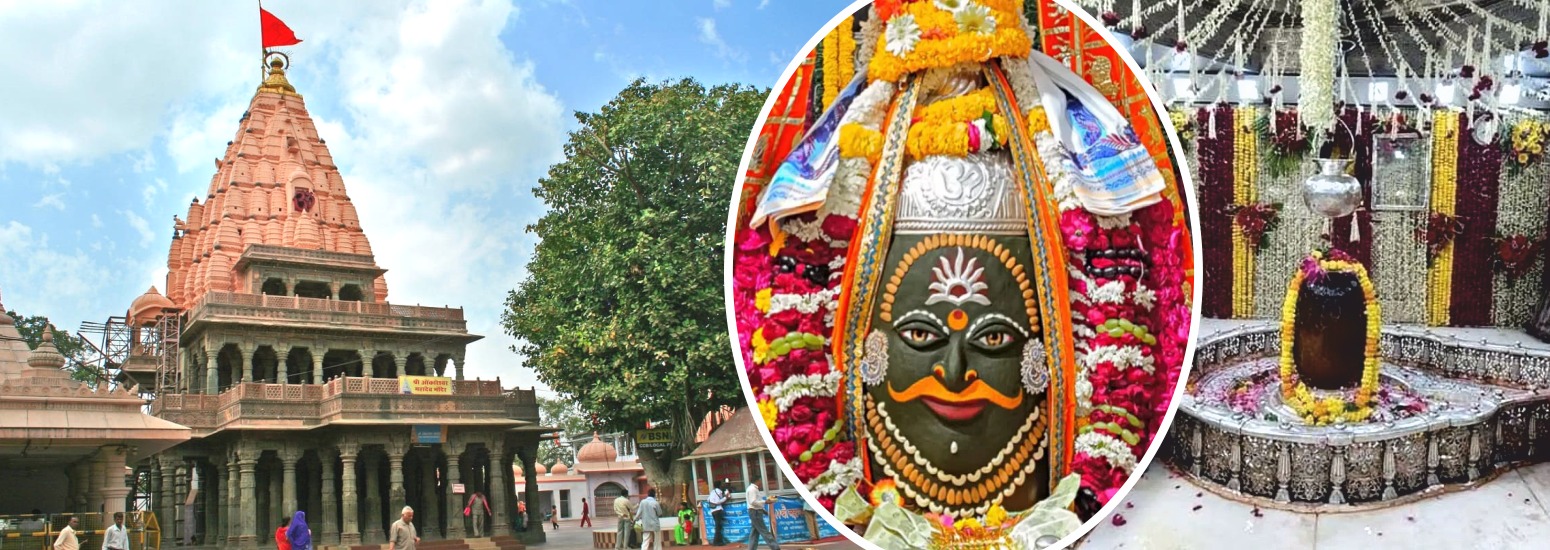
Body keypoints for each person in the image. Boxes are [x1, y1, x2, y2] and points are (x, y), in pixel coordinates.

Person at [744, 481, 781, 550]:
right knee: (764, 531)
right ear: (757, 480)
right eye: (760, 481)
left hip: (756, 511)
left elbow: (754, 502)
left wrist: (763, 510)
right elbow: (753, 502)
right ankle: (775, 547)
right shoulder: (753, 489)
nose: (761, 483)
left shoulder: (753, 488)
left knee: (754, 532)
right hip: (755, 512)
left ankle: (751, 548)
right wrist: (765, 502)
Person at [707, 480, 729, 546]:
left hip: (713, 511)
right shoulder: (719, 492)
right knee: (718, 526)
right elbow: (717, 502)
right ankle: (717, 542)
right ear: (720, 485)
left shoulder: (712, 491)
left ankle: (718, 541)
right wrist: (725, 498)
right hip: (718, 510)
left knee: (718, 526)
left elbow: (708, 499)